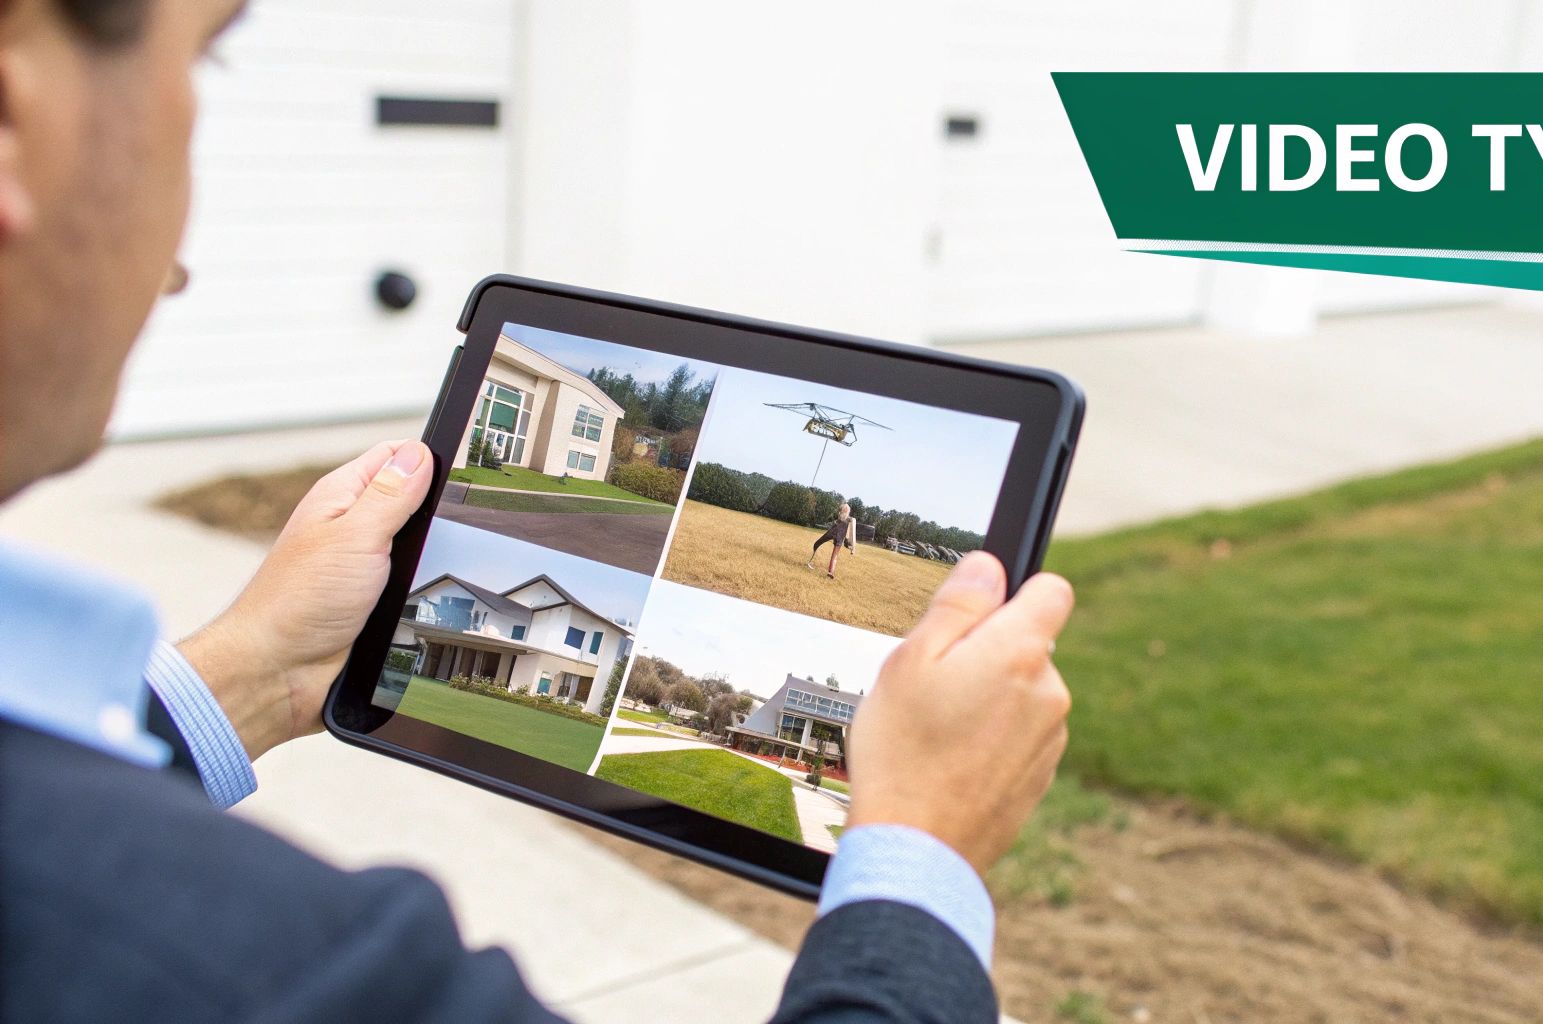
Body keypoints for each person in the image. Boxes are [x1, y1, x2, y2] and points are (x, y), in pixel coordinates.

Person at [0, 2, 1076, 1021]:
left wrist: (257, 673)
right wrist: (921, 853)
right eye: (202, 58)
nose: (181, 250)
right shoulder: (275, 968)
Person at [808, 502, 857, 578]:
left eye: (846, 509)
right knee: (819, 544)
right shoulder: (840, 516)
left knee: (835, 555)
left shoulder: (849, 519)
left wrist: (852, 547)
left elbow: (852, 532)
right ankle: (812, 560)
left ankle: (830, 572)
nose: (845, 510)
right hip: (833, 533)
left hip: (839, 538)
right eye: (845, 508)